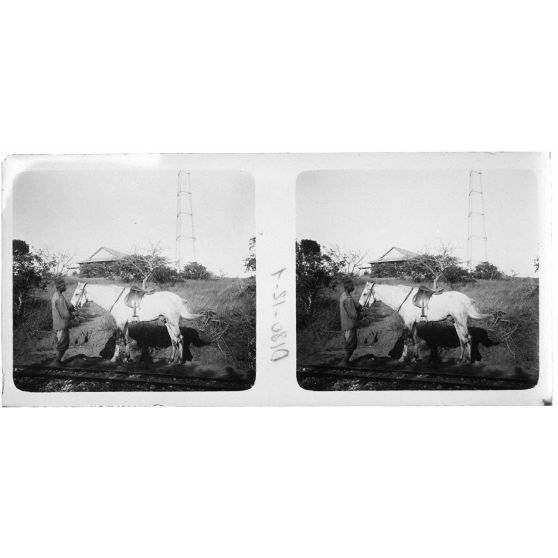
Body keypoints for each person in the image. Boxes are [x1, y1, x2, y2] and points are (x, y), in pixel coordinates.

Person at [339, 278, 363, 365]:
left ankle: (346, 361)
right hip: (350, 325)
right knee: (351, 344)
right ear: (349, 287)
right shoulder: (348, 298)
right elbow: (353, 315)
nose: (353, 287)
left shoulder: (344, 295)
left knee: (349, 343)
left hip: (345, 324)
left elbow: (350, 307)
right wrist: (363, 315)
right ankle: (344, 362)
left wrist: (358, 307)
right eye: (352, 285)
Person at [51, 277, 74, 363]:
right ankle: (56, 362)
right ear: (60, 286)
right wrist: (74, 315)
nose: (65, 287)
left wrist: (70, 307)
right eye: (64, 285)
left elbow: (63, 307)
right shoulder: (59, 298)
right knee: (63, 345)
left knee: (61, 344)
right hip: (62, 326)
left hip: (57, 325)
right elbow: (65, 315)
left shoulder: (56, 295)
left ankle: (57, 361)